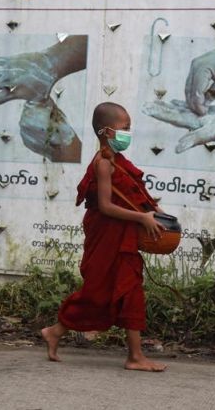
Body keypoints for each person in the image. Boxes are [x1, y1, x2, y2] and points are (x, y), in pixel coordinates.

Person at [41, 102, 167, 372]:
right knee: (96, 294)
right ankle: (55, 331)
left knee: (131, 292)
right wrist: (142, 218)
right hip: (107, 234)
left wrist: (154, 209)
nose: (128, 133)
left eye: (129, 128)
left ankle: (135, 356)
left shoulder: (120, 162)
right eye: (124, 128)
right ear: (106, 131)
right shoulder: (103, 164)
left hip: (123, 237)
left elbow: (134, 193)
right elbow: (107, 206)